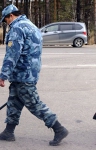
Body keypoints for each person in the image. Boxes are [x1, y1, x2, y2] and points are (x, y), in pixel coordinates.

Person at [0, 4, 68, 146]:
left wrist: (3, 75)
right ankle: (8, 131)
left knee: (34, 104)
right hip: (29, 72)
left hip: (23, 74)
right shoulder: (31, 25)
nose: (5, 22)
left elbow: (13, 54)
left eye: (5, 19)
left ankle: (58, 128)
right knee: (14, 101)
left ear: (11, 16)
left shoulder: (17, 28)